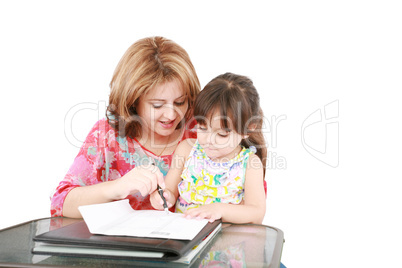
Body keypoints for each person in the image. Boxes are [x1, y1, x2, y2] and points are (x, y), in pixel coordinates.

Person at [50, 36, 201, 218]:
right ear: (133, 101)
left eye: (180, 102)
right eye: (157, 105)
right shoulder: (107, 135)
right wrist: (116, 188)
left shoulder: (202, 132)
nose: (171, 115)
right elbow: (60, 204)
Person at [150, 72, 267, 224]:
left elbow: (256, 212)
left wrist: (219, 209)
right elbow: (171, 191)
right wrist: (163, 197)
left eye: (222, 134)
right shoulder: (187, 150)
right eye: (203, 128)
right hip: (185, 238)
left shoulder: (250, 164)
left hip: (226, 243)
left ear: (248, 129)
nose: (209, 140)